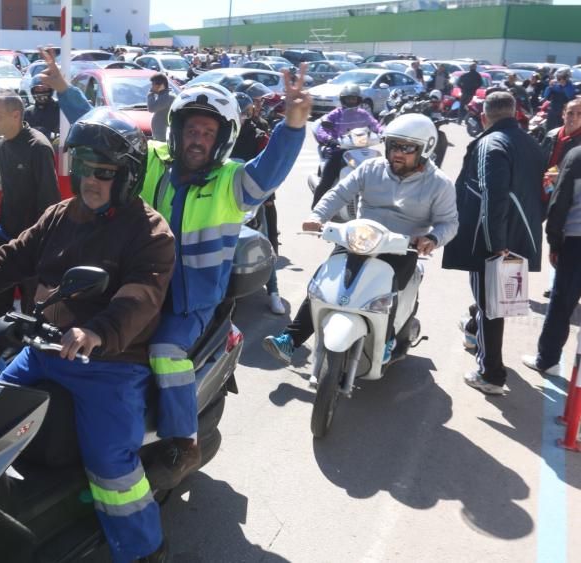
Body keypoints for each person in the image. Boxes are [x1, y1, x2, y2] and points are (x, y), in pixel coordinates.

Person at [38, 48, 309, 488]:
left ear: (220, 138)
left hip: (189, 303)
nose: (197, 138)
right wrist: (67, 92)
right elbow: (106, 134)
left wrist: (292, 126)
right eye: (191, 129)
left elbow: (269, 171)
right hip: (138, 285)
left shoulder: (232, 182)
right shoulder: (152, 162)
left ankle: (183, 442)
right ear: (177, 131)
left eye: (207, 131)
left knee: (165, 354)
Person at [0, 107, 174, 563]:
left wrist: (97, 331)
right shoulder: (60, 215)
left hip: (108, 363)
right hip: (44, 348)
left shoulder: (150, 232)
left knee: (112, 465)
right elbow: (13, 256)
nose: (89, 179)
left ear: (128, 175)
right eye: (83, 168)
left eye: (104, 171)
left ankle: (144, 549)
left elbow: (141, 297)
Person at [263, 114, 458, 366]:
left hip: (403, 248)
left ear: (425, 149)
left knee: (390, 290)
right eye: (394, 145)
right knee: (324, 280)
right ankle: (290, 339)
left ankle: (387, 339)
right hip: (361, 238)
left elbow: (449, 223)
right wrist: (317, 216)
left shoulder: (439, 184)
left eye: (407, 147)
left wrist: (432, 238)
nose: (398, 152)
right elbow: (339, 193)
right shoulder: (371, 168)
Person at [442, 91, 544, 396]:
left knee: (492, 306)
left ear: (484, 116)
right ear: (515, 113)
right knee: (494, 302)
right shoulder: (530, 142)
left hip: (493, 240)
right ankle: (473, 333)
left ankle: (491, 374)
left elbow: (493, 195)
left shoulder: (491, 143)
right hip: (519, 234)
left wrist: (496, 243)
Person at [0, 95, 61, 315]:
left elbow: (51, 203)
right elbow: (9, 194)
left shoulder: (38, 147)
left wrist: (43, 251)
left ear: (16, 115)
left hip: (32, 246)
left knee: (32, 311)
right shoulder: (2, 146)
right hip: (5, 237)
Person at [521, 141, 581, 377]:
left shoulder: (576, 156)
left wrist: (554, 242)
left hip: (576, 242)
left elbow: (559, 202)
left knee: (561, 304)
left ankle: (548, 360)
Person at [231, 90, 284, 314]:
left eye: (244, 113)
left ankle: (273, 291)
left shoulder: (259, 134)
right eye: (238, 113)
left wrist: (267, 196)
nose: (241, 117)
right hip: (224, 193)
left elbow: (269, 170)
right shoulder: (224, 132)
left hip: (253, 196)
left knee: (261, 240)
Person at [311, 83, 381, 207]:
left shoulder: (363, 113)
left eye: (353, 98)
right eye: (348, 98)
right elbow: (322, 128)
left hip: (361, 148)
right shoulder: (335, 113)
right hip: (340, 149)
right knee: (327, 181)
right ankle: (316, 209)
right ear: (343, 99)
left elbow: (375, 125)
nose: (351, 101)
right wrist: (329, 139)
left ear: (358, 100)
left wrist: (384, 132)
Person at [146, 73, 175, 142]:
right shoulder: (163, 95)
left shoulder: (167, 97)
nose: (151, 87)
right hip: (160, 134)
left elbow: (151, 108)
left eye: (153, 85)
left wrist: (150, 94)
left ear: (161, 85)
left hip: (163, 135)